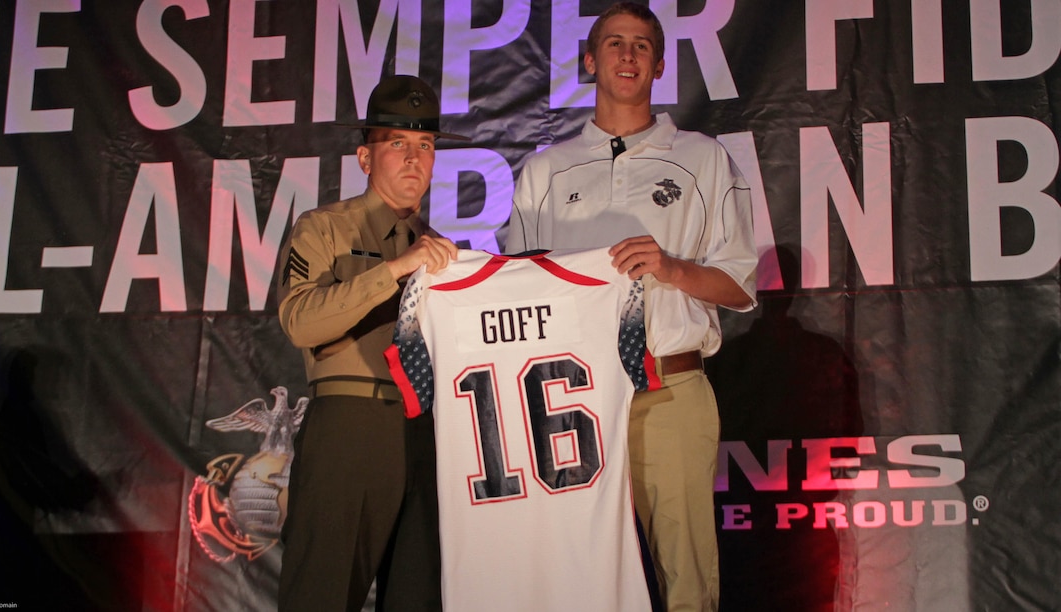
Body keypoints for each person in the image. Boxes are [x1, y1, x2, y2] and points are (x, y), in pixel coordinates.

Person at [505, 3, 758, 610]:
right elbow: (518, 290)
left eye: (641, 46)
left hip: (670, 388)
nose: (627, 55)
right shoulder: (545, 169)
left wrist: (670, 268)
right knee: (574, 576)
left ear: (660, 64)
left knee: (685, 579)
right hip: (572, 397)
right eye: (614, 44)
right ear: (590, 61)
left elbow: (740, 286)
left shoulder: (704, 158)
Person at [276, 74, 465, 611]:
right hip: (351, 426)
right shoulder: (324, 228)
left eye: (425, 146)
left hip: (429, 435)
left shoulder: (448, 255)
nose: (414, 159)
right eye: (397, 144)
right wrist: (397, 269)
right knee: (323, 593)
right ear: (364, 158)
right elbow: (300, 321)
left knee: (420, 595)